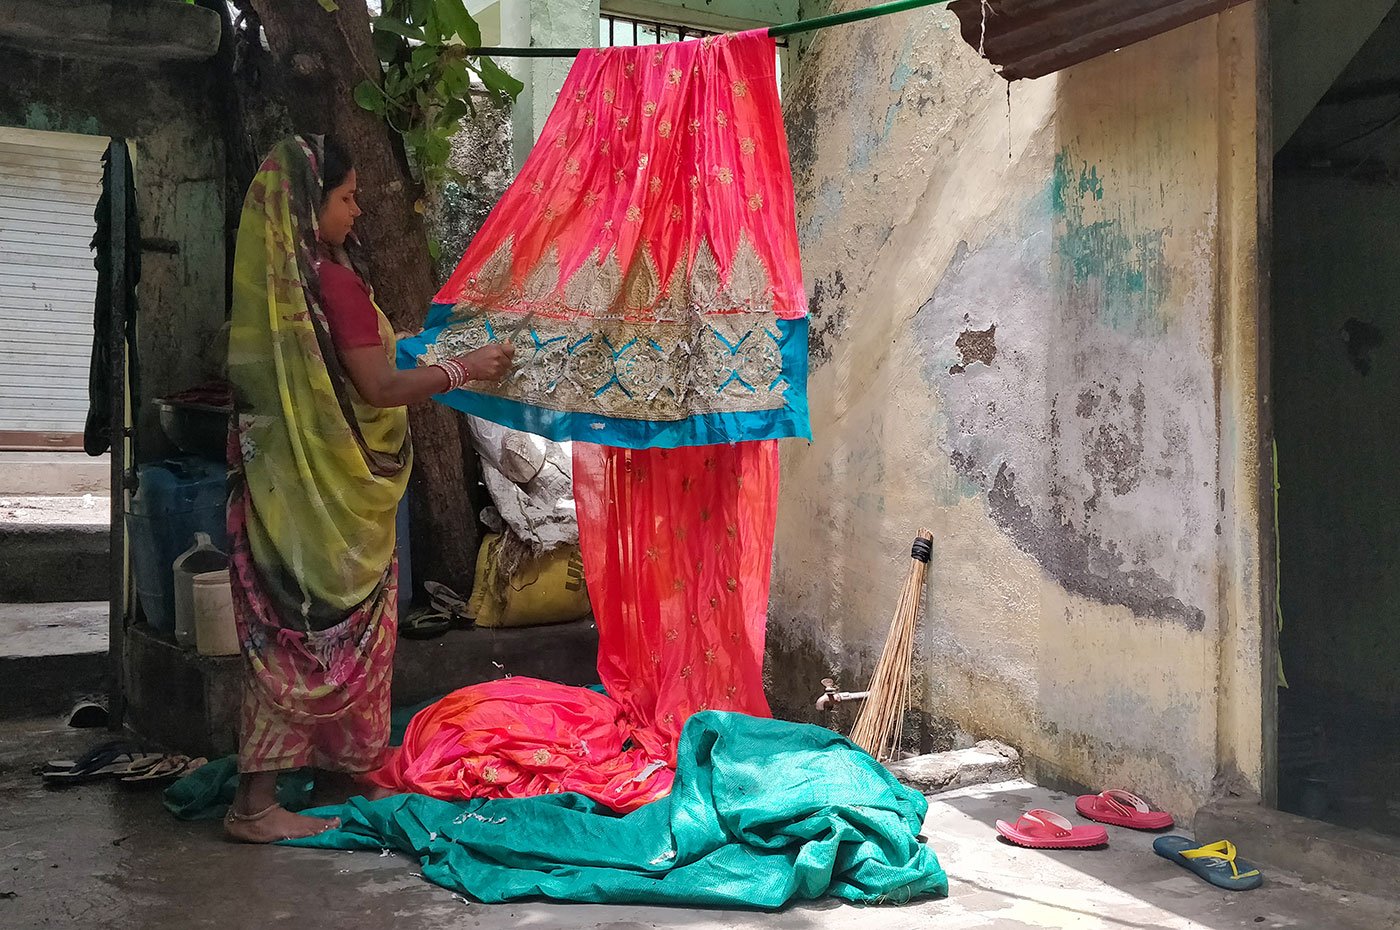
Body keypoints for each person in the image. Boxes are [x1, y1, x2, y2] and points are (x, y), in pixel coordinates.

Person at [223, 135, 512, 843]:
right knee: (315, 637)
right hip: (333, 503)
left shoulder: (278, 290)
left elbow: (347, 366)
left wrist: (425, 347)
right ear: (308, 204)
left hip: (278, 492)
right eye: (346, 197)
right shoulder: (336, 283)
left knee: (292, 626)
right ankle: (255, 807)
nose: (357, 211)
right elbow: (378, 386)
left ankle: (333, 772)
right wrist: (464, 369)